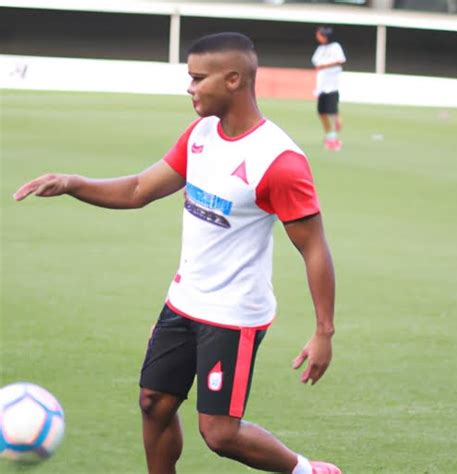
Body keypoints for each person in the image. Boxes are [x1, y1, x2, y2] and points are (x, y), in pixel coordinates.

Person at [14, 32, 339, 474]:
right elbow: (137, 189)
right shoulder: (201, 134)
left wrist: (324, 331)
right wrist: (73, 183)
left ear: (233, 80)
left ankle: (308, 470)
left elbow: (314, 246)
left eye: (197, 78)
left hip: (233, 314)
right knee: (154, 403)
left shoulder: (278, 160)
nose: (189, 88)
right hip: (183, 301)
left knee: (219, 433)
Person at [311, 26, 346, 152]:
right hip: (321, 87)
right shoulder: (320, 49)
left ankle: (335, 138)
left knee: (333, 113)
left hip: (332, 86)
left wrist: (325, 65)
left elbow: (341, 60)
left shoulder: (335, 46)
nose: (317, 37)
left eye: (319, 35)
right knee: (322, 113)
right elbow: (315, 62)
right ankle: (330, 136)